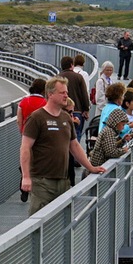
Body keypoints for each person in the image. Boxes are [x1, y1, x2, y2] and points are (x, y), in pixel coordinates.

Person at [20, 76, 105, 215]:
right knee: (39, 220)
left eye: (67, 92)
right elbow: (25, 148)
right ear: (50, 94)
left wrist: (91, 167)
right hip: (42, 181)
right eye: (62, 92)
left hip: (63, 180)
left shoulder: (66, 118)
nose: (66, 95)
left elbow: (75, 146)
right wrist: (26, 177)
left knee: (61, 221)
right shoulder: (37, 118)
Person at [16, 77, 48, 202]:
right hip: (41, 137)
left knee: (26, 161)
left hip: (27, 135)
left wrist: (22, 131)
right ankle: (37, 188)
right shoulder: (45, 103)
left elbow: (19, 119)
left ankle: (24, 186)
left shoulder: (24, 101)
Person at [58, 55, 91, 141]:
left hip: (60, 111)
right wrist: (86, 109)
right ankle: (75, 153)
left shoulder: (57, 78)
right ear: (72, 65)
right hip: (77, 110)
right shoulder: (78, 77)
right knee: (77, 134)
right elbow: (84, 94)